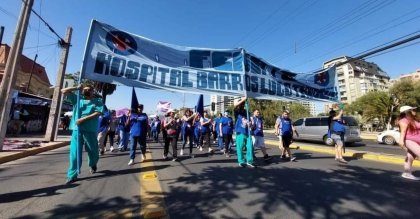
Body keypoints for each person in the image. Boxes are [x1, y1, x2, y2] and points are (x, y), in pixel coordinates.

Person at [61, 84, 104, 184]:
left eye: (89, 90)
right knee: (74, 154)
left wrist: (83, 119)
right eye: (85, 90)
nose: (86, 91)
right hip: (77, 130)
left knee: (93, 152)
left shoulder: (97, 101)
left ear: (93, 91)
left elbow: (98, 113)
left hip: (90, 130)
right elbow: (63, 91)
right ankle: (72, 175)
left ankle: (93, 164)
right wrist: (75, 88)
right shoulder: (77, 99)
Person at [398, 105, 420, 180]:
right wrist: (401, 141)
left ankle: (407, 173)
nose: (415, 111)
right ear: (407, 112)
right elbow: (403, 131)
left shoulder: (414, 119)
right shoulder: (404, 120)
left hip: (417, 141)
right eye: (413, 110)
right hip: (410, 141)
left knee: (410, 157)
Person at [234, 97, 255, 167]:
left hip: (247, 131)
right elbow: (236, 105)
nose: (242, 104)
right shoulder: (236, 110)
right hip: (240, 131)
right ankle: (241, 161)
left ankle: (250, 160)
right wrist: (244, 98)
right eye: (242, 103)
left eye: (243, 104)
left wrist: (250, 123)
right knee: (240, 147)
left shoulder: (247, 111)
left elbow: (250, 121)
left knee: (250, 146)